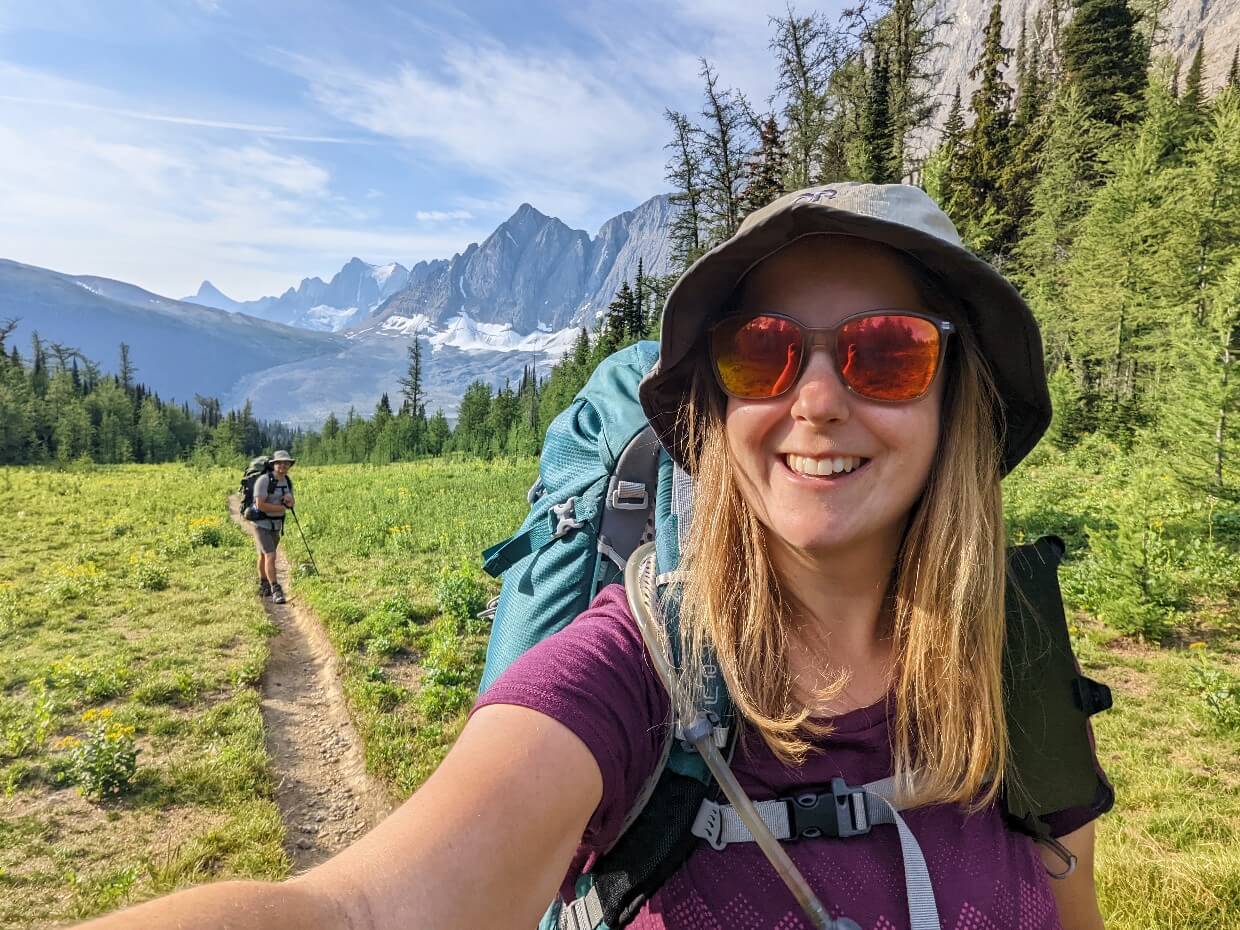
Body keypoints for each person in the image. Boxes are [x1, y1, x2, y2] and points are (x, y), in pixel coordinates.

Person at [77, 184, 1108, 930]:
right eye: (762, 352)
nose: (817, 398)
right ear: (713, 408)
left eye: (888, 353)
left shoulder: (1013, 659)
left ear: (955, 401)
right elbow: (359, 910)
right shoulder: (631, 672)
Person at [252, 450, 295, 605]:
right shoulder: (263, 481)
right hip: (261, 524)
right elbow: (260, 505)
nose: (283, 465)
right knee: (270, 555)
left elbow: (291, 503)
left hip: (276, 524)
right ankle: (276, 589)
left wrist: (289, 501)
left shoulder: (287, 481)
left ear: (289, 465)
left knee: (264, 555)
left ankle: (263, 583)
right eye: (279, 463)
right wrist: (280, 508)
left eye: (286, 463)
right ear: (273, 465)